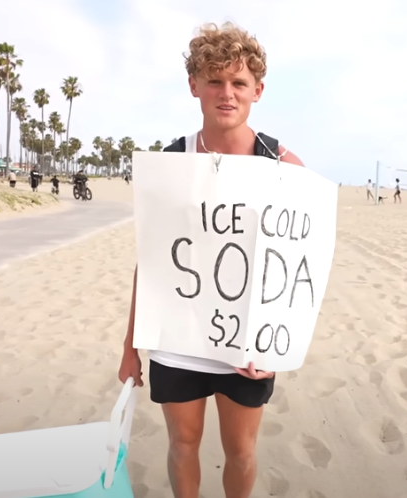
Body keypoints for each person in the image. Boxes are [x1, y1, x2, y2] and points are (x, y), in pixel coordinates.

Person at [117, 22, 303, 498]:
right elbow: (152, 261)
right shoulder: (172, 162)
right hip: (179, 336)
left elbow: (299, 261)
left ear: (257, 90)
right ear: (193, 85)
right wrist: (129, 345)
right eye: (214, 80)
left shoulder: (283, 166)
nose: (226, 93)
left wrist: (275, 346)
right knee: (183, 443)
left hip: (247, 344)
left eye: (238, 82)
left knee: (240, 451)